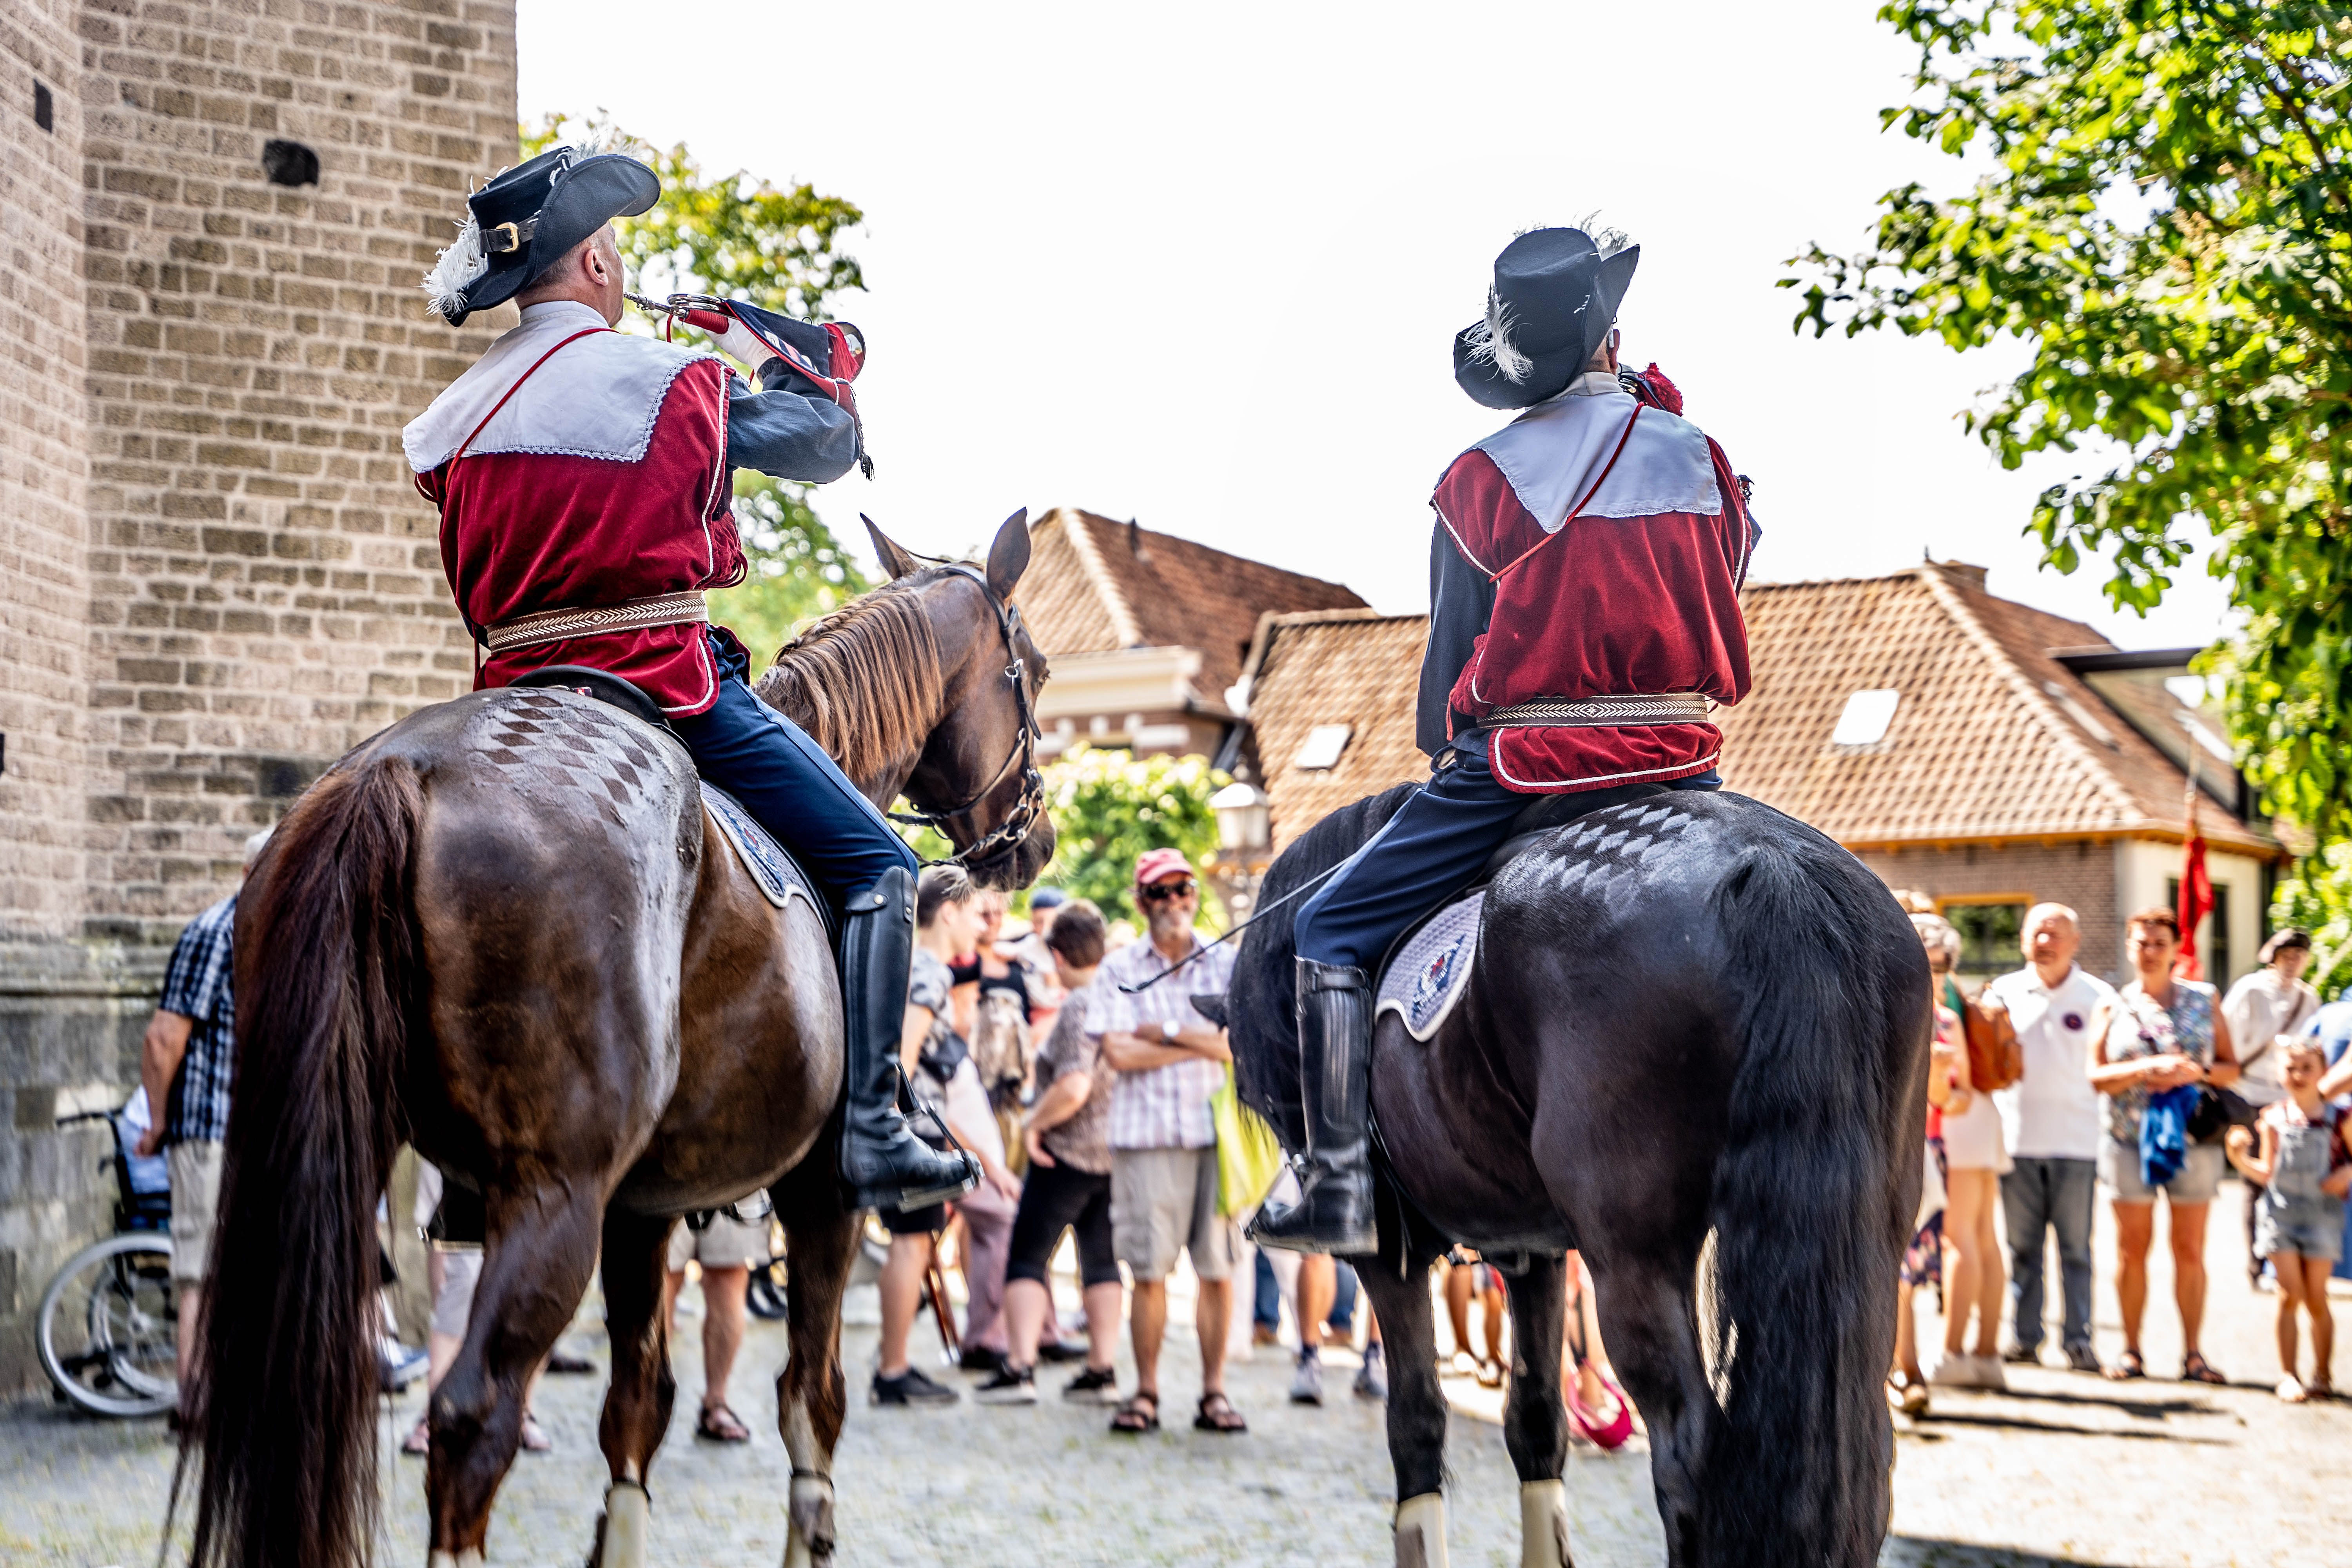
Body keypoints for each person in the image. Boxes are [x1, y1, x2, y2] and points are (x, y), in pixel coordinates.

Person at [403, 137, 972, 1215]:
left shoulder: (455, 418)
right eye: (615, 247)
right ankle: (874, 1130)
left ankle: (472, 1175)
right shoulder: (664, 379)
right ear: (601, 270)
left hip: (511, 707)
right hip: (661, 683)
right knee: (884, 863)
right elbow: (818, 442)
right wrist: (787, 357)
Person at [1265, 225, 1755, 1251]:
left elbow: (1450, 670)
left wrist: (1449, 738)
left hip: (1528, 764)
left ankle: (1338, 1183)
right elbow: (1727, 578)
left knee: (1327, 931)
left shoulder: (1481, 478)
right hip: (1687, 762)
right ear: (1614, 341)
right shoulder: (1705, 455)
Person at [1091, 849, 1245, 1434]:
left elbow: (1238, 1048)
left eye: (1183, 889)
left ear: (1195, 895)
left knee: (1217, 1269)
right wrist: (1201, 1040)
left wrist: (1170, 1032)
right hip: (1145, 1138)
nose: (1175, 901)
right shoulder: (1119, 967)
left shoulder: (1227, 963)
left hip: (1213, 1136)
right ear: (1141, 901)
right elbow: (1119, 1054)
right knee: (1148, 1272)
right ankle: (1147, 1392)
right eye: (1161, 893)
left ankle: (1214, 1393)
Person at [873, 866, 1024, 1407]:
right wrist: (908, 1129)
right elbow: (905, 1062)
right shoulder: (931, 969)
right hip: (916, 1128)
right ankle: (893, 1369)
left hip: (911, 1124)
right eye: (978, 913)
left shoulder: (903, 957)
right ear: (951, 911)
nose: (982, 927)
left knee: (912, 1244)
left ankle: (892, 1364)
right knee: (913, 1244)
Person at [136, 826, 271, 1393]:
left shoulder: (271, 933)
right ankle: (193, 1398)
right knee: (201, 1268)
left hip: (249, 1132)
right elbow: (163, 1039)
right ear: (250, 873)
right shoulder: (217, 932)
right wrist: (160, 1120)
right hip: (207, 1130)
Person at [977, 901, 1126, 1406]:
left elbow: (1075, 1085)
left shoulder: (1081, 1005)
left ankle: (1019, 1368)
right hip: (1114, 1153)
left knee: (1027, 1257)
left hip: (1065, 1153)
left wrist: (1034, 1122)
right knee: (1101, 1262)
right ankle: (1101, 1370)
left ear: (1057, 955)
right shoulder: (1123, 996)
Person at [2089, 907, 2241, 1384]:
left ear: (2177, 949)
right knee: (2132, 1250)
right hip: (2129, 1139)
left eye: (2159, 943)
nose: (2150, 951)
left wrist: (2195, 1072)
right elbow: (2096, 1076)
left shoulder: (2205, 999)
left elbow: (2230, 1068)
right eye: (2141, 942)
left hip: (2191, 1140)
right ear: (2130, 947)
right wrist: (2143, 1071)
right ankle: (2131, 1350)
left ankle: (2194, 1353)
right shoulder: (2112, 1005)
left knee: (2190, 1250)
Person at [1985, 903, 2116, 1374]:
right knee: (2022, 1250)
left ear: (2075, 942)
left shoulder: (2100, 997)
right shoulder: (2001, 994)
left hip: (2079, 1142)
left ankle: (2079, 1341)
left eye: (2054, 934)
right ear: (2023, 940)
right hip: (2017, 1139)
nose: (2045, 941)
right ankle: (2024, 1338)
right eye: (2037, 933)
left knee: (2076, 1250)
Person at [2225, 1037, 2350, 1401]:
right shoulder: (2274, 1119)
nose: (2298, 1075)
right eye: (2290, 1068)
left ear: (2322, 1073)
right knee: (2288, 1294)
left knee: (2316, 1297)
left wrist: (2347, 1174)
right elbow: (2267, 1172)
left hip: (2322, 1216)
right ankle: (2288, 1374)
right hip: (2280, 1215)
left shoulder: (2339, 1118)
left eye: (2306, 1068)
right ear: (2279, 1073)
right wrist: (2238, 1158)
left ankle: (2323, 1374)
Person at [1915, 915, 2009, 1390]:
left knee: (1962, 1240)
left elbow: (1957, 1089)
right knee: (1983, 1237)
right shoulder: (1947, 995)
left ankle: (1953, 1353)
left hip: (1953, 1124)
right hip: (1975, 1119)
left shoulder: (1929, 1002)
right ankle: (1987, 1354)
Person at [2222, 930, 2321, 1287]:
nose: (2293, 962)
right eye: (2287, 955)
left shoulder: (2309, 998)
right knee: (2256, 1179)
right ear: (2274, 957)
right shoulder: (2249, 990)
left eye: (2300, 956)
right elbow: (2226, 1036)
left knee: (2290, 1180)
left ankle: (2289, 1261)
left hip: (2289, 1099)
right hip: (2248, 1094)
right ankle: (2257, 1263)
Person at [1888, 918, 1959, 1416]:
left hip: (1927, 1150)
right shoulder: (1876, 1009)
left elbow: (1950, 1099)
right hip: (1886, 1147)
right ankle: (1902, 1369)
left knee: (1908, 1273)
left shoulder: (1948, 1024)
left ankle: (1905, 1368)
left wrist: (1937, 1073)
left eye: (1936, 965)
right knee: (1894, 1270)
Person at [662, 1207, 766, 1442]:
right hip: (660, 1178)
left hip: (734, 1178)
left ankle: (716, 1402)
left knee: (729, 1275)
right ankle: (644, 1394)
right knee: (661, 1274)